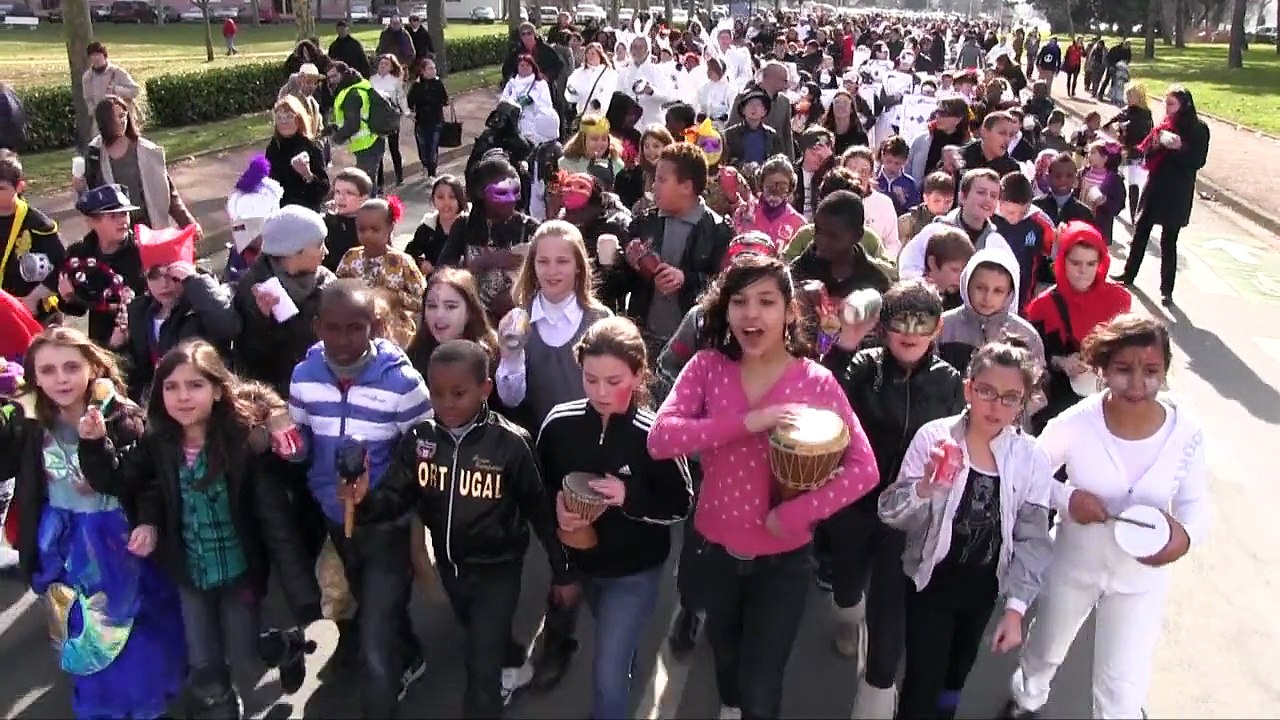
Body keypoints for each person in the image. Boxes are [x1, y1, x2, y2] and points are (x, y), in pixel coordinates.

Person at [648, 254, 879, 720]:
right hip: (713, 550)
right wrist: (751, 421)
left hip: (783, 561)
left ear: (790, 312)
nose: (751, 313)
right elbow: (661, 439)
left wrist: (795, 515)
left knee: (762, 684)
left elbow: (863, 469)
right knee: (726, 659)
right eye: (739, 301)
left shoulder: (816, 382)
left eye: (767, 301)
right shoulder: (707, 367)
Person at [81, 340, 325, 714]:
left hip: (240, 574)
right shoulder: (158, 443)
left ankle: (285, 647)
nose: (182, 397)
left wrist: (302, 594)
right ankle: (222, 704)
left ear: (218, 390)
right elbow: (117, 479)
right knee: (204, 660)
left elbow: (278, 517)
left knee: (247, 652)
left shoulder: (243, 445)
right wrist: (94, 445)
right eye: (171, 387)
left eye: (195, 385)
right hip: (190, 574)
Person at [1006, 314, 1208, 720]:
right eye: (1123, 369)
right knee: (1046, 650)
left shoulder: (1186, 433)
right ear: (1102, 369)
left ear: (1165, 371)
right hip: (1073, 565)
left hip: (1141, 580)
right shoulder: (1077, 423)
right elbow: (1027, 475)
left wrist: (1183, 539)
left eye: (1151, 371)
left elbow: (1195, 504)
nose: (1137, 383)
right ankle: (1027, 700)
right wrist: (1067, 499)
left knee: (1122, 685)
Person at [362, 338, 578, 714]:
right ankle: (510, 655)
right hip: (451, 566)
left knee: (480, 668)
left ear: (485, 389)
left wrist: (563, 572)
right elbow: (393, 499)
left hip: (499, 570)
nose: (447, 403)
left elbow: (541, 512)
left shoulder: (511, 444)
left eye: (459, 393)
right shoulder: (420, 439)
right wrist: (361, 499)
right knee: (480, 633)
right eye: (437, 393)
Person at [1, 327, 185, 719]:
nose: (61, 379)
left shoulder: (120, 415)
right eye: (48, 370)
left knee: (132, 627)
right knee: (80, 628)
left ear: (93, 367)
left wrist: (148, 523)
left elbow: (149, 481)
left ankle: (146, 704)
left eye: (71, 367)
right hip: (61, 540)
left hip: (117, 537)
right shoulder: (29, 421)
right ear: (34, 377)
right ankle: (103, 705)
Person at [880, 340, 1055, 719]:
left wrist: (1016, 609)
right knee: (922, 681)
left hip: (983, 589)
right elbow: (891, 513)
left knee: (957, 672)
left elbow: (1032, 539)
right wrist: (924, 488)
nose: (996, 406)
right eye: (986, 391)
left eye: (1010, 398)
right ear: (968, 388)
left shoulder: (1031, 459)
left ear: (1023, 403)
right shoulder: (934, 439)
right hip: (929, 582)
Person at [288, 281, 433, 715]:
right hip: (337, 520)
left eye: (356, 328)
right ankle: (411, 653)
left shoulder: (402, 383)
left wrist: (381, 494)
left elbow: (425, 449)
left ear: (374, 326)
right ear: (317, 327)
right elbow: (302, 438)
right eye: (333, 328)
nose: (344, 339)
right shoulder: (304, 378)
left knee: (374, 637)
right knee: (373, 604)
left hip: (388, 524)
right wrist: (290, 447)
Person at [822, 279, 965, 718]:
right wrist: (846, 341)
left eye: (922, 321)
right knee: (846, 584)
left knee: (890, 620)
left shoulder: (950, 382)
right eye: (900, 320)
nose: (910, 331)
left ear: (937, 328)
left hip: (909, 515)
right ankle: (846, 615)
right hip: (853, 503)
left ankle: (876, 698)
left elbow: (965, 441)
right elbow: (822, 397)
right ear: (882, 327)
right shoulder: (863, 366)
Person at [540, 316, 693, 719]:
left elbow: (681, 504)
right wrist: (556, 506)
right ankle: (623, 656)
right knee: (616, 650)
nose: (601, 392)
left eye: (614, 380)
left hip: (634, 575)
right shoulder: (559, 425)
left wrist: (630, 496)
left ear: (639, 374)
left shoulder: (655, 436)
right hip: (582, 567)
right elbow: (539, 486)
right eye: (590, 379)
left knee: (607, 676)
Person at [617, 142, 732, 361]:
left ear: (686, 187)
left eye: (661, 180)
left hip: (694, 348)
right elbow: (619, 285)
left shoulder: (718, 231)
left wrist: (686, 279)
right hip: (644, 341)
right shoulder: (644, 223)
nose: (653, 186)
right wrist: (625, 261)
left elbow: (724, 287)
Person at [495, 220, 612, 429]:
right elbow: (510, 400)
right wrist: (510, 356)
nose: (552, 271)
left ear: (578, 265)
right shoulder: (518, 321)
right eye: (543, 261)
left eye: (562, 261)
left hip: (588, 438)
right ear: (532, 265)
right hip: (536, 439)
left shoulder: (600, 320)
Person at [1026, 221, 1131, 429]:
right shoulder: (1042, 306)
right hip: (1058, 409)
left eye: (1091, 263)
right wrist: (1061, 362)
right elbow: (1031, 357)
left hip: (1106, 408)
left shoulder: (1119, 300)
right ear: (1062, 261)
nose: (1083, 271)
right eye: (1076, 263)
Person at [1112, 86, 1210, 307]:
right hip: (1156, 184)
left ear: (1184, 105)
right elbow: (1148, 153)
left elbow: (1197, 161)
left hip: (1178, 189)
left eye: (1172, 104)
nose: (1167, 108)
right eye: (1166, 103)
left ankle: (1167, 290)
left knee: (1169, 240)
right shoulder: (1165, 125)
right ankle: (1129, 274)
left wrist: (1179, 147)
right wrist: (1156, 145)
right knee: (1141, 230)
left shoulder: (1198, 129)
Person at [113, 224, 236, 400]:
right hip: (162, 402)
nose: (164, 284)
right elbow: (136, 372)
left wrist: (195, 282)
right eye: (154, 275)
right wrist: (118, 347)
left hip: (206, 398)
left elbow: (228, 327)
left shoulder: (206, 301)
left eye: (174, 275)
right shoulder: (140, 311)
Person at [231, 205, 336, 395]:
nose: (326, 251)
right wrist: (261, 319)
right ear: (295, 251)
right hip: (273, 395)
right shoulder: (253, 288)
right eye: (319, 245)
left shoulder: (327, 283)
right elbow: (248, 358)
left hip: (321, 389)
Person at [438, 154, 541, 321]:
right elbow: (442, 274)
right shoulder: (465, 226)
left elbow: (546, 277)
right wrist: (479, 265)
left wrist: (517, 292)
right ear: (481, 193)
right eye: (501, 193)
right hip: (472, 319)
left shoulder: (529, 228)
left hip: (517, 320)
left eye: (515, 191)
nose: (511, 200)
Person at [79, 96, 199, 233]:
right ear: (104, 122)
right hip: (118, 231)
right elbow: (91, 198)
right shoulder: (95, 155)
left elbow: (169, 192)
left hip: (150, 226)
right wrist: (80, 188)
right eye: (115, 118)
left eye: (123, 115)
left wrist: (189, 223)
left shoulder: (147, 151)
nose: (121, 121)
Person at [59, 184, 148, 346]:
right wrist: (69, 297)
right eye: (113, 216)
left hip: (141, 340)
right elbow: (76, 310)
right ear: (92, 221)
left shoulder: (142, 251)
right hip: (101, 340)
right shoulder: (79, 254)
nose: (123, 221)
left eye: (125, 214)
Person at [936, 247, 1045, 375]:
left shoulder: (1026, 335)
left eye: (998, 291)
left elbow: (1036, 381)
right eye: (980, 288)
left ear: (1009, 293)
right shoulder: (942, 327)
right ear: (966, 284)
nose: (987, 298)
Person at [899, 169, 1013, 280]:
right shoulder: (935, 232)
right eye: (981, 192)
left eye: (993, 195)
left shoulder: (996, 243)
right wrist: (928, 284)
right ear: (962, 196)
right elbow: (908, 266)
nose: (988, 199)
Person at [0, 150, 63, 319]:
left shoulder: (38, 225)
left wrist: (33, 298)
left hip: (33, 312)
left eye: (1, 188)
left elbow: (63, 267)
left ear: (19, 187)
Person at [405, 267, 500, 379]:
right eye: (432, 306)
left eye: (451, 307)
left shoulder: (492, 357)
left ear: (470, 311)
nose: (439, 315)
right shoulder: (414, 357)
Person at [337, 197, 427, 315]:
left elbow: (423, 301)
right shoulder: (350, 258)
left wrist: (395, 297)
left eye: (375, 230)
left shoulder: (402, 262)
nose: (368, 235)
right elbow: (337, 292)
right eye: (362, 230)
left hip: (393, 324)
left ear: (390, 227)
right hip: (356, 321)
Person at [326, 62, 385, 194]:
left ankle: (371, 207)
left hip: (367, 144)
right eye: (329, 77)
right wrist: (334, 128)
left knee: (365, 186)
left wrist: (337, 138)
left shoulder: (352, 94)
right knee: (367, 184)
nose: (331, 81)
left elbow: (353, 125)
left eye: (334, 76)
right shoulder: (356, 87)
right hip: (371, 141)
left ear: (343, 74)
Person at [265, 96, 330, 212]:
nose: (284, 121)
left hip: (306, 212)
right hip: (281, 212)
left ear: (299, 119)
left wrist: (307, 175)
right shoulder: (273, 148)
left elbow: (323, 189)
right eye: (279, 118)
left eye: (289, 117)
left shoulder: (311, 147)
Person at [1102, 84, 1154, 220]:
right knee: (1116, 179)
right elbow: (1107, 125)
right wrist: (1116, 133)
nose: (1128, 98)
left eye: (1131, 95)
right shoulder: (1125, 111)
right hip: (1122, 150)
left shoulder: (1146, 114)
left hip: (1136, 151)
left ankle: (1134, 216)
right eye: (1127, 95)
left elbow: (1149, 133)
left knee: (1133, 183)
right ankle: (1116, 205)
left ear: (1139, 97)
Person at [405, 175, 467, 275]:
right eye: (440, 197)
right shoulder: (427, 228)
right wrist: (421, 263)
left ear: (460, 199)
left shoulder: (470, 226)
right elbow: (408, 256)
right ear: (433, 200)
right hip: (435, 281)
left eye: (452, 197)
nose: (446, 202)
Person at [742, 155, 806, 251]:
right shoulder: (744, 213)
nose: (775, 192)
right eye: (770, 186)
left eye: (782, 187)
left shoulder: (799, 224)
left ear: (790, 188)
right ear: (761, 185)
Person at [81, 42, 141, 133]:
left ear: (104, 56)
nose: (96, 58)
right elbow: (88, 98)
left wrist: (117, 90)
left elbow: (135, 91)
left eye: (98, 54)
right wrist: (95, 111)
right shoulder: (87, 77)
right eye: (92, 55)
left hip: (122, 120)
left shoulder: (117, 72)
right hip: (101, 122)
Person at [407, 57, 450, 179]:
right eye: (430, 69)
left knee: (433, 147)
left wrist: (445, 101)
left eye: (434, 68)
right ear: (423, 71)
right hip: (421, 122)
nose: (433, 71)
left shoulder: (438, 83)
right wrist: (412, 112)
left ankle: (432, 172)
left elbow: (444, 99)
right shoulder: (417, 86)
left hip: (436, 120)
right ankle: (426, 165)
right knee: (423, 148)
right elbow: (410, 102)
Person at [323, 167, 372, 272]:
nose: (341, 198)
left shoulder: (372, 226)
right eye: (337, 192)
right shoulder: (325, 224)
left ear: (364, 198)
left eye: (349, 193)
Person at [370, 54, 408, 188]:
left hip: (391, 117)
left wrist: (406, 112)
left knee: (394, 148)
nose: (383, 66)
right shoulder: (372, 80)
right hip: (377, 118)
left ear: (391, 67)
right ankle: (380, 183)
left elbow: (401, 98)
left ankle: (399, 176)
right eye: (381, 63)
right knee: (378, 150)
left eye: (386, 64)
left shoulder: (395, 81)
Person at [1078, 140, 1126, 244]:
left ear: (1105, 158)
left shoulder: (1114, 179)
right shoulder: (1083, 173)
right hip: (1079, 224)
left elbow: (1119, 205)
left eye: (1093, 153)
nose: (1088, 155)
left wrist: (1104, 201)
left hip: (1099, 229)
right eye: (1089, 152)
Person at [922, 227, 975, 311]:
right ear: (932, 263)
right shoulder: (914, 298)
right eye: (955, 270)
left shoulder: (964, 302)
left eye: (965, 272)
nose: (960, 278)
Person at [897, 171, 956, 247]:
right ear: (926, 198)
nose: (942, 206)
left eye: (948, 201)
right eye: (937, 201)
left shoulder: (955, 223)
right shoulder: (908, 222)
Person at [959, 111, 1022, 179]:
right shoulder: (960, 157)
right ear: (984, 132)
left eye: (1011, 135)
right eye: (1002, 133)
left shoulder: (1012, 168)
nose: (1007, 139)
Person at [566, 41, 618, 118]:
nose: (590, 56)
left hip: (603, 116)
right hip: (584, 114)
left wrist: (600, 102)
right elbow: (570, 89)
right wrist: (574, 94)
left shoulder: (610, 73)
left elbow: (612, 91)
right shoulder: (578, 73)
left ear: (599, 55)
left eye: (593, 53)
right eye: (588, 53)